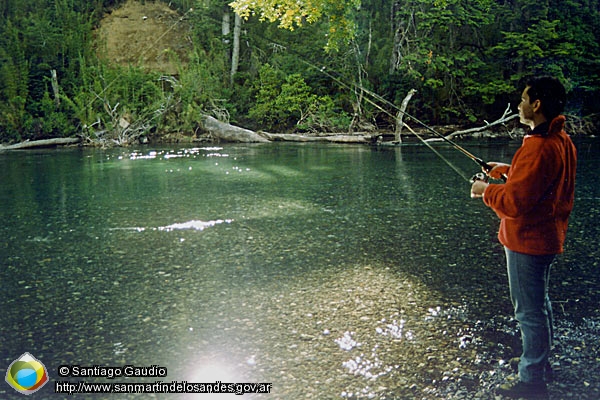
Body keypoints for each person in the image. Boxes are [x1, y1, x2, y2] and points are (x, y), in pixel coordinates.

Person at [470, 76, 577, 399]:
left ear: (537, 105)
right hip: (546, 238)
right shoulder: (561, 140)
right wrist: (506, 170)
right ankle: (539, 361)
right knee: (539, 306)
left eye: (523, 99)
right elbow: (539, 184)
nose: (519, 105)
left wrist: (484, 190)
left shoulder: (540, 147)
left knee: (528, 312)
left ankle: (531, 377)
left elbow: (515, 203)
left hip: (527, 242)